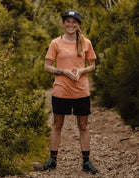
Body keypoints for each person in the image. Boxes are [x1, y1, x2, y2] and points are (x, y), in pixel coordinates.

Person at [43, 9, 98, 174]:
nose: (71, 24)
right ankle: (52, 160)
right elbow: (47, 67)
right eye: (68, 21)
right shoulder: (55, 43)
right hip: (61, 91)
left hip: (81, 91)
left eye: (74, 22)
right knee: (57, 125)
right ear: (63, 23)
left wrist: (82, 71)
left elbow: (93, 65)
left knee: (83, 126)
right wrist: (63, 72)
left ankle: (86, 163)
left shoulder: (86, 43)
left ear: (78, 24)